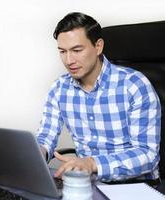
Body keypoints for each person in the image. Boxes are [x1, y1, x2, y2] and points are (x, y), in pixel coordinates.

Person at [36, 12, 161, 182]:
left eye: (77, 50)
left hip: (135, 186)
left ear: (98, 46)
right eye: (62, 51)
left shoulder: (134, 84)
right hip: (88, 185)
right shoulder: (59, 88)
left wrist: (92, 163)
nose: (69, 60)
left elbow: (147, 154)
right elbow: (45, 136)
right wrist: (36, 154)